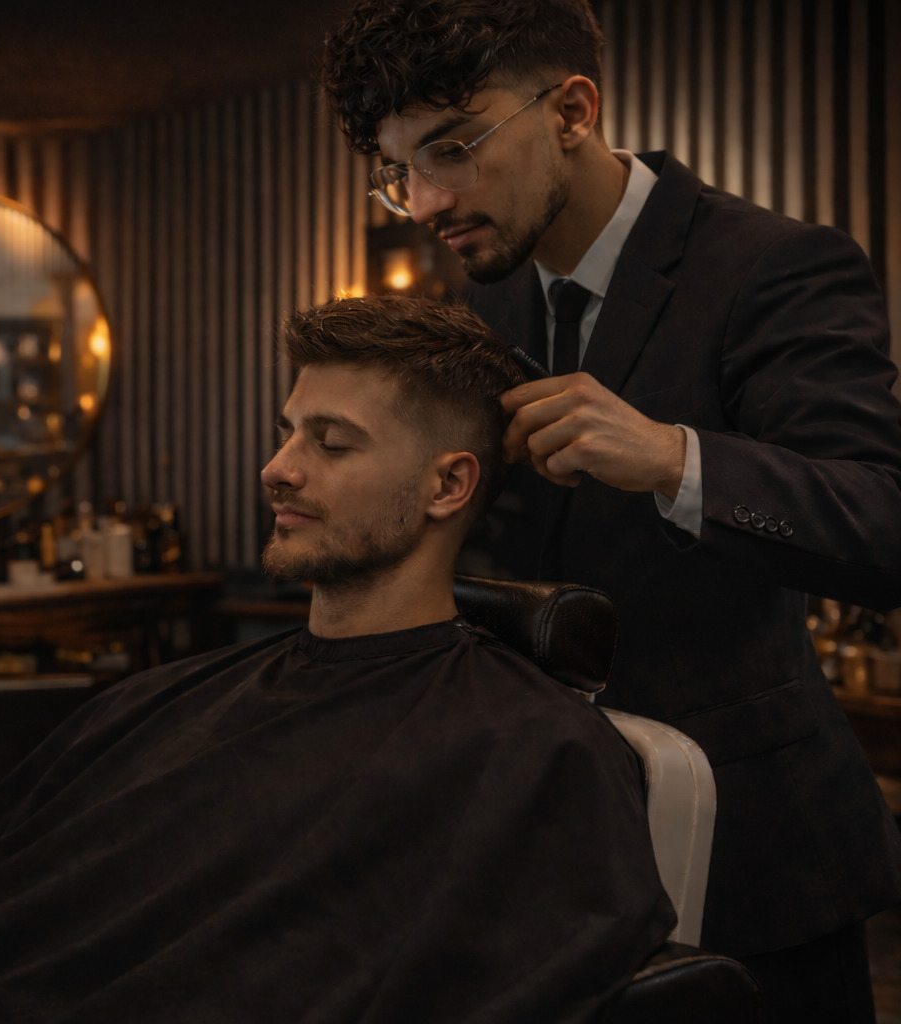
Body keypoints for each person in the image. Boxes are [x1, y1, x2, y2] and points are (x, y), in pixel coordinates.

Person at [0, 295, 672, 1024]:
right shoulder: (172, 697)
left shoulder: (529, 746)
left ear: (447, 486)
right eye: (287, 430)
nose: (276, 467)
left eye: (331, 443)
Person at [320, 2, 901, 1020]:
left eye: (452, 150)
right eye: (400, 168)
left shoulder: (773, 267)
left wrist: (675, 459)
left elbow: (882, 520)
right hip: (533, 846)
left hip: (754, 855)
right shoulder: (474, 310)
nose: (423, 202)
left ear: (573, 109)